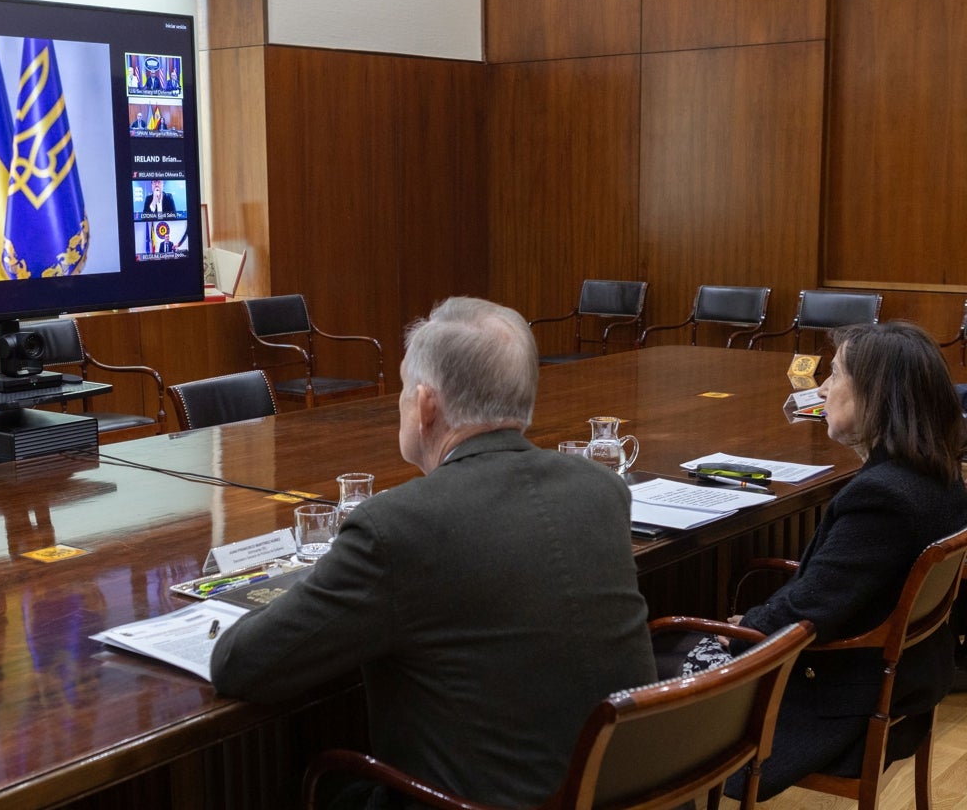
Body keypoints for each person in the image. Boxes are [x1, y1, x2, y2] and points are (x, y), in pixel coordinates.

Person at [210, 296, 657, 809]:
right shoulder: (601, 489)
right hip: (620, 794)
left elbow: (241, 663)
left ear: (425, 406)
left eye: (402, 391)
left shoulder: (396, 526)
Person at [690, 321, 967, 801]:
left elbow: (807, 613)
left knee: (662, 660)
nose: (821, 389)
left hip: (842, 699)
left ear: (875, 397)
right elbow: (835, 588)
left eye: (835, 376)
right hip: (907, 679)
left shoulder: (883, 497)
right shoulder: (937, 473)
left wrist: (742, 628)